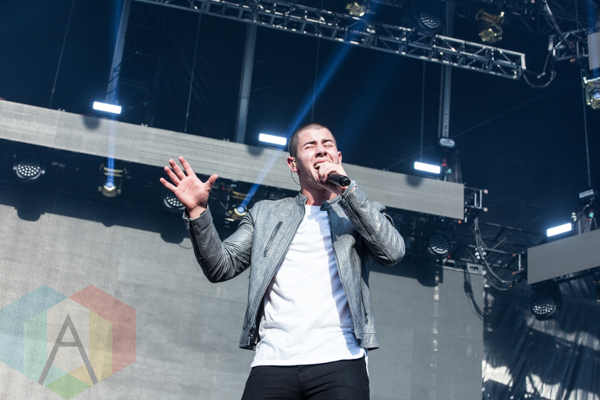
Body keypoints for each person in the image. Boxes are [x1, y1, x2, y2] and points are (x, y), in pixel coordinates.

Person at [160, 123, 405, 399]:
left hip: (340, 358)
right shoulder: (265, 214)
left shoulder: (361, 211)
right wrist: (197, 211)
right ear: (293, 164)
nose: (320, 150)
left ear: (338, 157)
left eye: (327, 145)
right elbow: (220, 267)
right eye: (310, 146)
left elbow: (392, 252)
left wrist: (348, 190)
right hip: (273, 362)